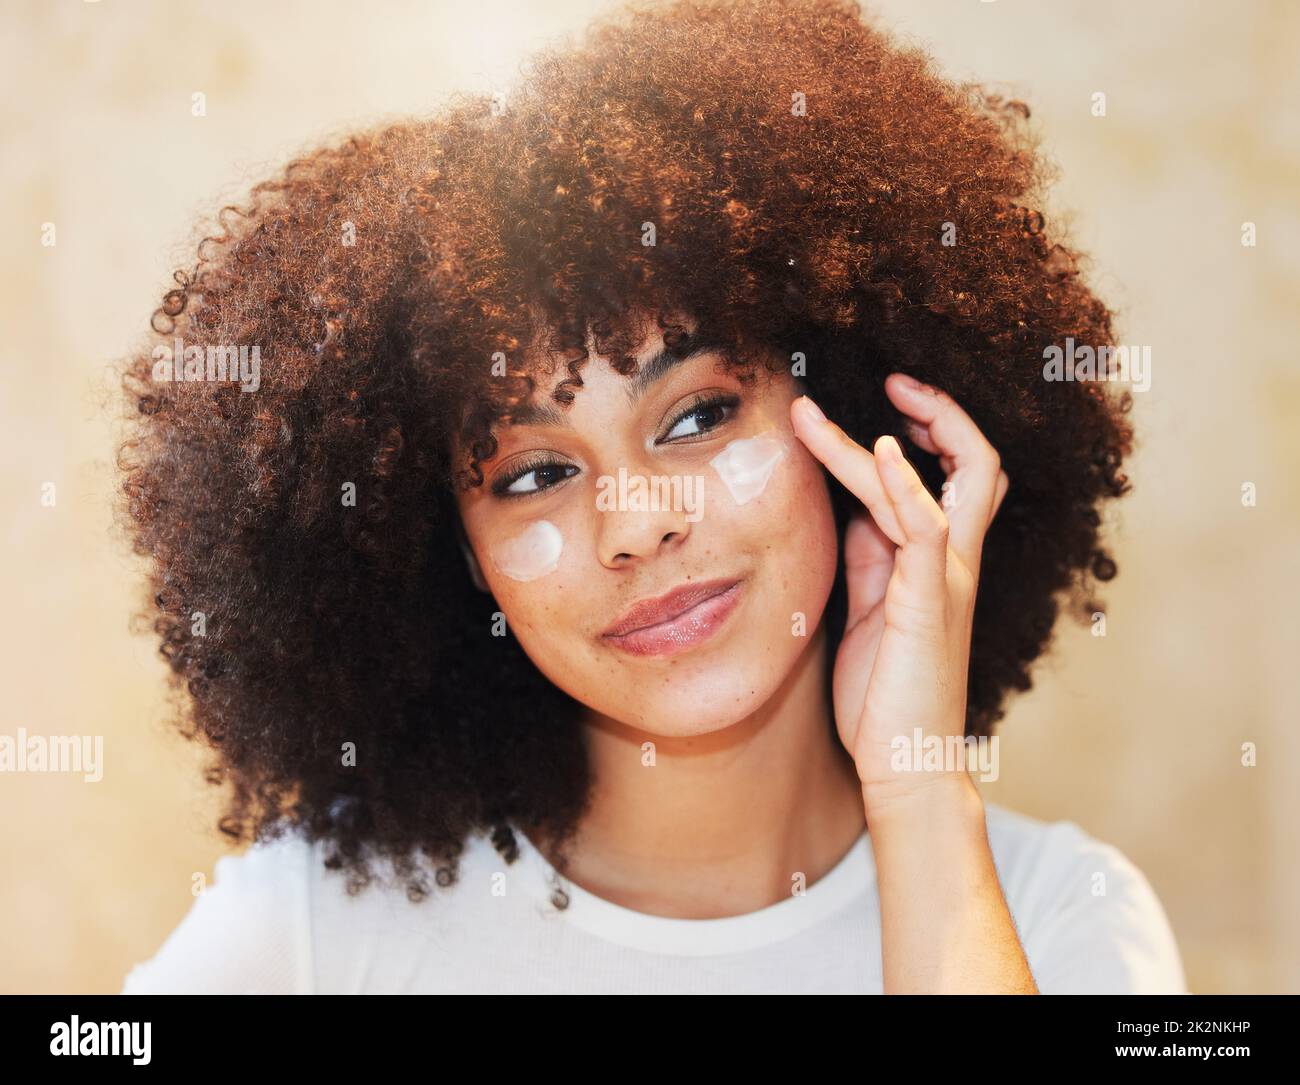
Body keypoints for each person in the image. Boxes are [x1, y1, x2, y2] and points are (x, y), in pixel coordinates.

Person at [117, 0, 1187, 994]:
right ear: (451, 557)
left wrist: (918, 792)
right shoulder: (308, 931)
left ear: (853, 416)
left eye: (695, 416)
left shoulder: (1056, 914)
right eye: (535, 473)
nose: (636, 524)